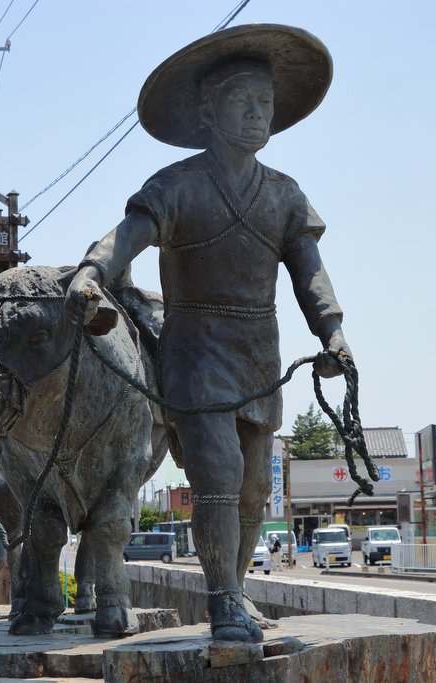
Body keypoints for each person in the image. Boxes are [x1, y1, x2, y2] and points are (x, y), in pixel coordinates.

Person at [67, 24, 351, 643]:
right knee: (218, 474)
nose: (257, 116)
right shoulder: (176, 186)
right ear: (207, 109)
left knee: (253, 489)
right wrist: (92, 272)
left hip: (259, 352)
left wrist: (332, 334)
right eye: (242, 101)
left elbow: (310, 274)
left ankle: (236, 591)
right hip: (194, 349)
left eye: (266, 105)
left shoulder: (284, 195)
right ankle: (222, 602)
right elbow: (126, 237)